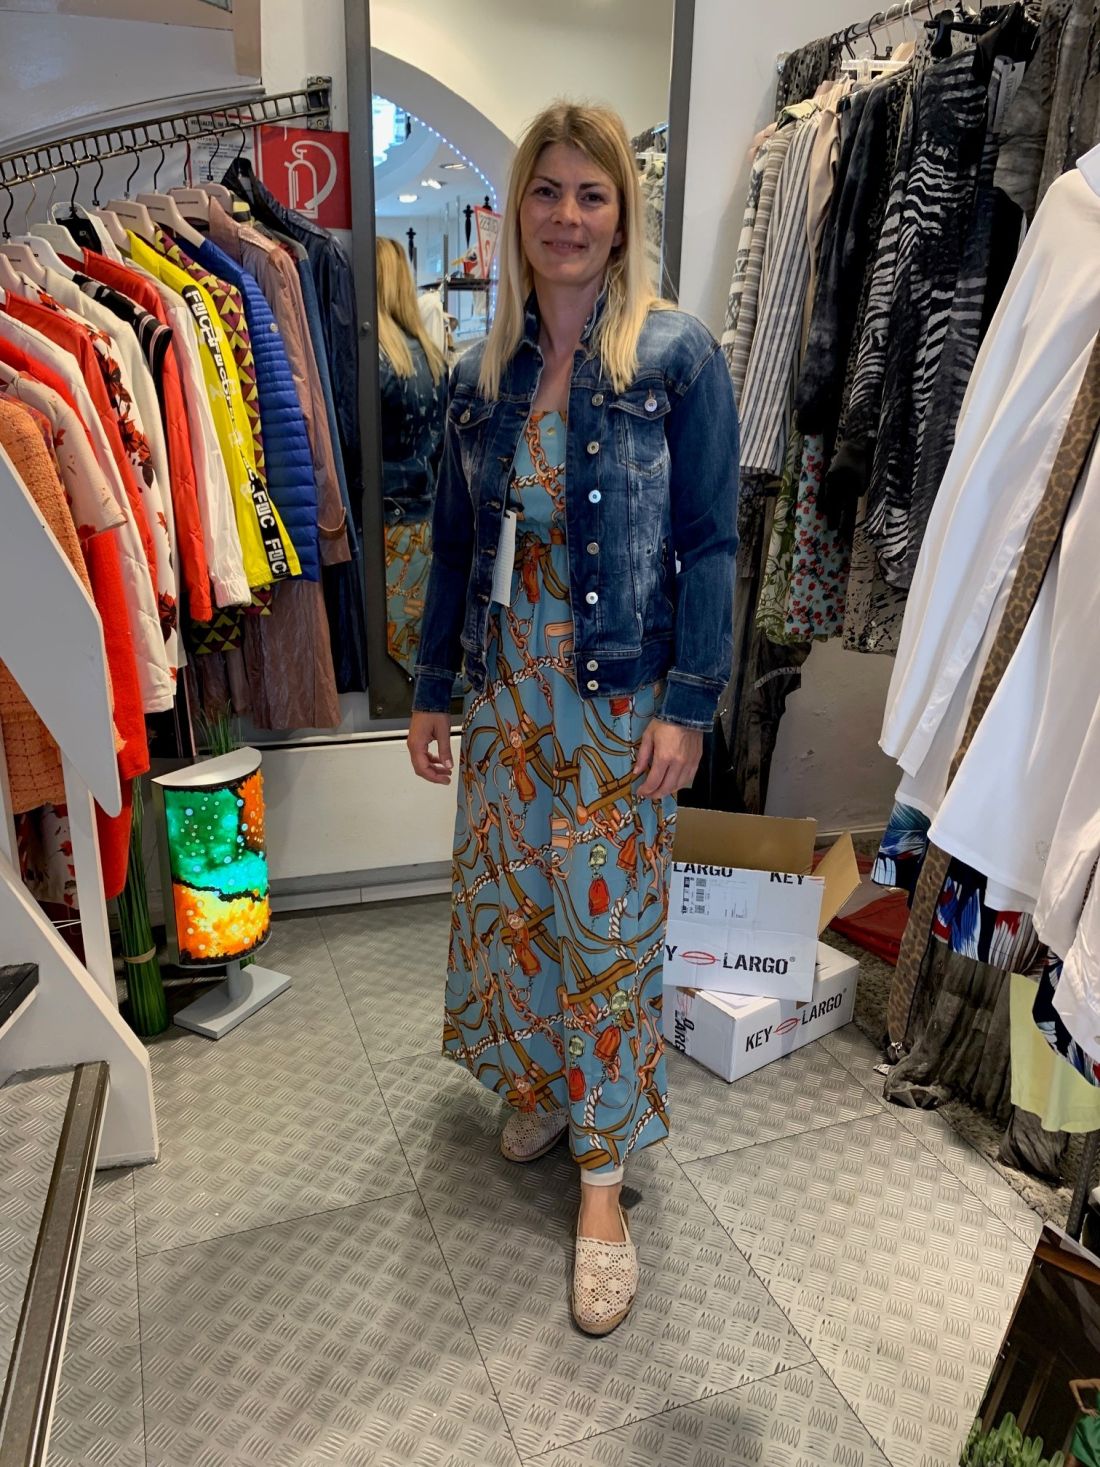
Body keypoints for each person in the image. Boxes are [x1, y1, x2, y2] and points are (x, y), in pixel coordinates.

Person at [407, 100, 739, 1335]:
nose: (566, 216)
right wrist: (432, 690)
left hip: (614, 697)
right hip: (505, 696)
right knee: (516, 913)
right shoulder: (474, 375)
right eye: (545, 192)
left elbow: (710, 543)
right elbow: (453, 549)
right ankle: (541, 1086)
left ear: (620, 214)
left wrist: (688, 705)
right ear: (517, 212)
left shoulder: (673, 359)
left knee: (605, 931)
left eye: (589, 194)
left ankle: (603, 1182)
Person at [376, 235, 447, 674]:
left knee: (386, 658)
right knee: (416, 652)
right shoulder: (434, 358)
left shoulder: (374, 361)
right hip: (425, 527)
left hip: (384, 530)